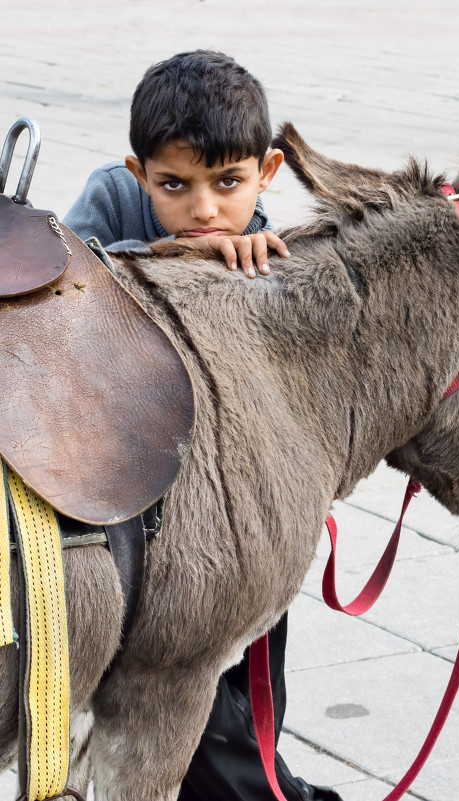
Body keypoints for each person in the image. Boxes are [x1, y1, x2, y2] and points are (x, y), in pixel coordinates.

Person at [64, 49, 342, 801]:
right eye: (173, 186)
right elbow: (66, 274)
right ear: (137, 171)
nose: (204, 211)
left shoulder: (262, 243)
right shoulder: (114, 200)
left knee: (245, 673)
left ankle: (259, 774)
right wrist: (161, 254)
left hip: (227, 501)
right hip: (129, 464)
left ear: (267, 170)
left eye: (228, 183)